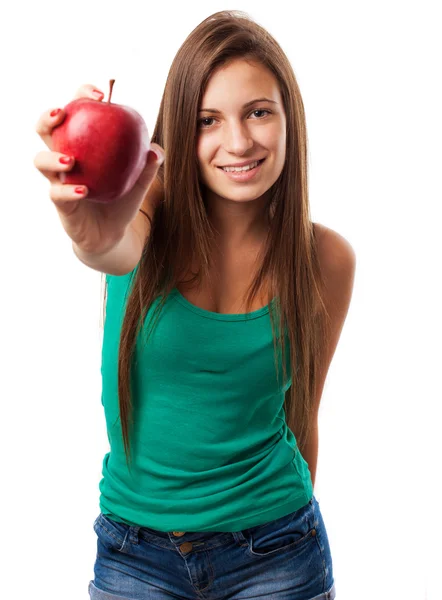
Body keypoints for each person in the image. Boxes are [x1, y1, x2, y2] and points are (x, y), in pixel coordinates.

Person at [34, 10, 355, 600]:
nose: (238, 142)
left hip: (278, 550)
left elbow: (303, 414)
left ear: (290, 120)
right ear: (180, 130)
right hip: (135, 555)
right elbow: (111, 248)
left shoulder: (326, 258)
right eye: (208, 120)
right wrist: (88, 229)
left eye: (258, 111)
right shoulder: (147, 204)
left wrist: (291, 519)